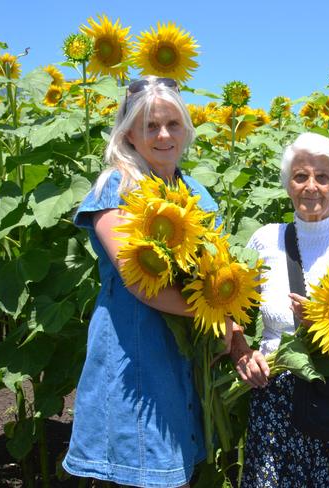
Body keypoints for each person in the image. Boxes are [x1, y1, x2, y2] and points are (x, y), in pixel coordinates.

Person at [63, 76, 220, 488]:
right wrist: (213, 309)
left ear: (186, 128)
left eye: (172, 123)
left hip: (184, 348)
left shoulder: (196, 193)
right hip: (134, 348)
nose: (164, 135)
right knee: (140, 462)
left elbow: (216, 269)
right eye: (150, 126)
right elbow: (140, 282)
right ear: (129, 133)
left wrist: (229, 324)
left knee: (173, 465)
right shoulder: (117, 188)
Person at [228, 132, 329, 487]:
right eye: (300, 176)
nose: (311, 186)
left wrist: (325, 321)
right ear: (287, 185)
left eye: (322, 177)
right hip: (277, 400)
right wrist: (241, 350)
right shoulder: (265, 239)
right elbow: (233, 311)